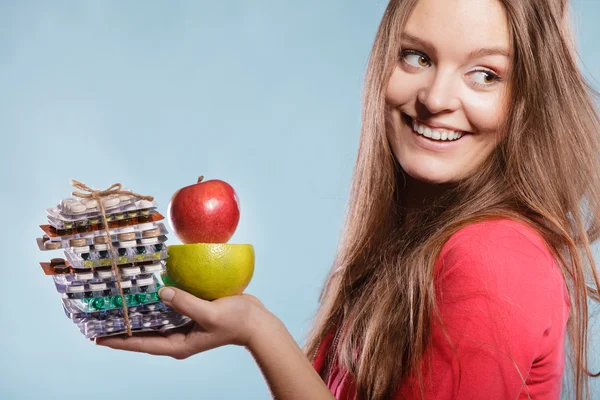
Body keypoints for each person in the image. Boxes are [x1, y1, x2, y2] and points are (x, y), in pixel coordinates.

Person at [97, 0, 600, 398]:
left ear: (528, 100)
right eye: (417, 57)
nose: (436, 97)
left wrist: (258, 331)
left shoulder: (490, 259)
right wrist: (252, 325)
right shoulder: (416, 242)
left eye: (485, 74)